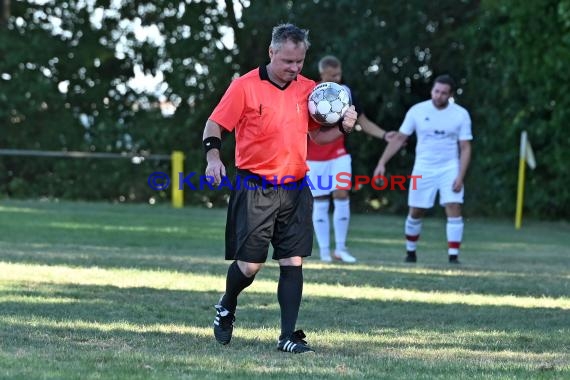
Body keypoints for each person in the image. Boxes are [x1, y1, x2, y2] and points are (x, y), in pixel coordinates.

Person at [202, 24, 357, 353]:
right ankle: (227, 305)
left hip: (296, 187)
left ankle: (287, 336)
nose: (294, 68)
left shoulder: (310, 89)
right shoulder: (245, 86)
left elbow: (318, 135)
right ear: (271, 53)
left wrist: (344, 127)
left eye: (300, 61)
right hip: (256, 185)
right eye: (288, 61)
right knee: (250, 266)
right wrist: (213, 157)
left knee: (292, 261)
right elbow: (215, 123)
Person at [373, 74, 472, 264]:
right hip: (423, 167)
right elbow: (400, 138)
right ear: (432, 91)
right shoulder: (417, 111)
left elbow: (465, 147)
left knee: (453, 206)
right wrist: (382, 162)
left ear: (450, 95)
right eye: (436, 91)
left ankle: (453, 256)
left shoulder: (461, 114)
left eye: (444, 93)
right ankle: (411, 252)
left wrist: (460, 175)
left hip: (450, 167)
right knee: (417, 211)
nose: (439, 96)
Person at [307, 55, 396, 263]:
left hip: (339, 155)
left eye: (339, 73)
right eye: (333, 75)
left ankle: (341, 249)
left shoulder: (345, 93)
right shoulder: (310, 92)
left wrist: (384, 135)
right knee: (319, 201)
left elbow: (362, 121)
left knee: (341, 193)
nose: (338, 78)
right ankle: (324, 252)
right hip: (313, 157)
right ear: (323, 74)